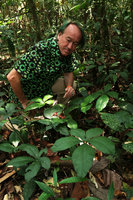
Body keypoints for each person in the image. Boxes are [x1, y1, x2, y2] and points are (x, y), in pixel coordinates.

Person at [7, 20, 85, 109]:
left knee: (73, 85)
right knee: (29, 120)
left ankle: (58, 110)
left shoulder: (66, 52)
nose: (70, 46)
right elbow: (12, 77)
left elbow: (68, 72)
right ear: (59, 35)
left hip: (45, 87)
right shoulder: (41, 50)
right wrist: (23, 101)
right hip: (26, 92)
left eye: (75, 43)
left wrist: (69, 86)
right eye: (68, 40)